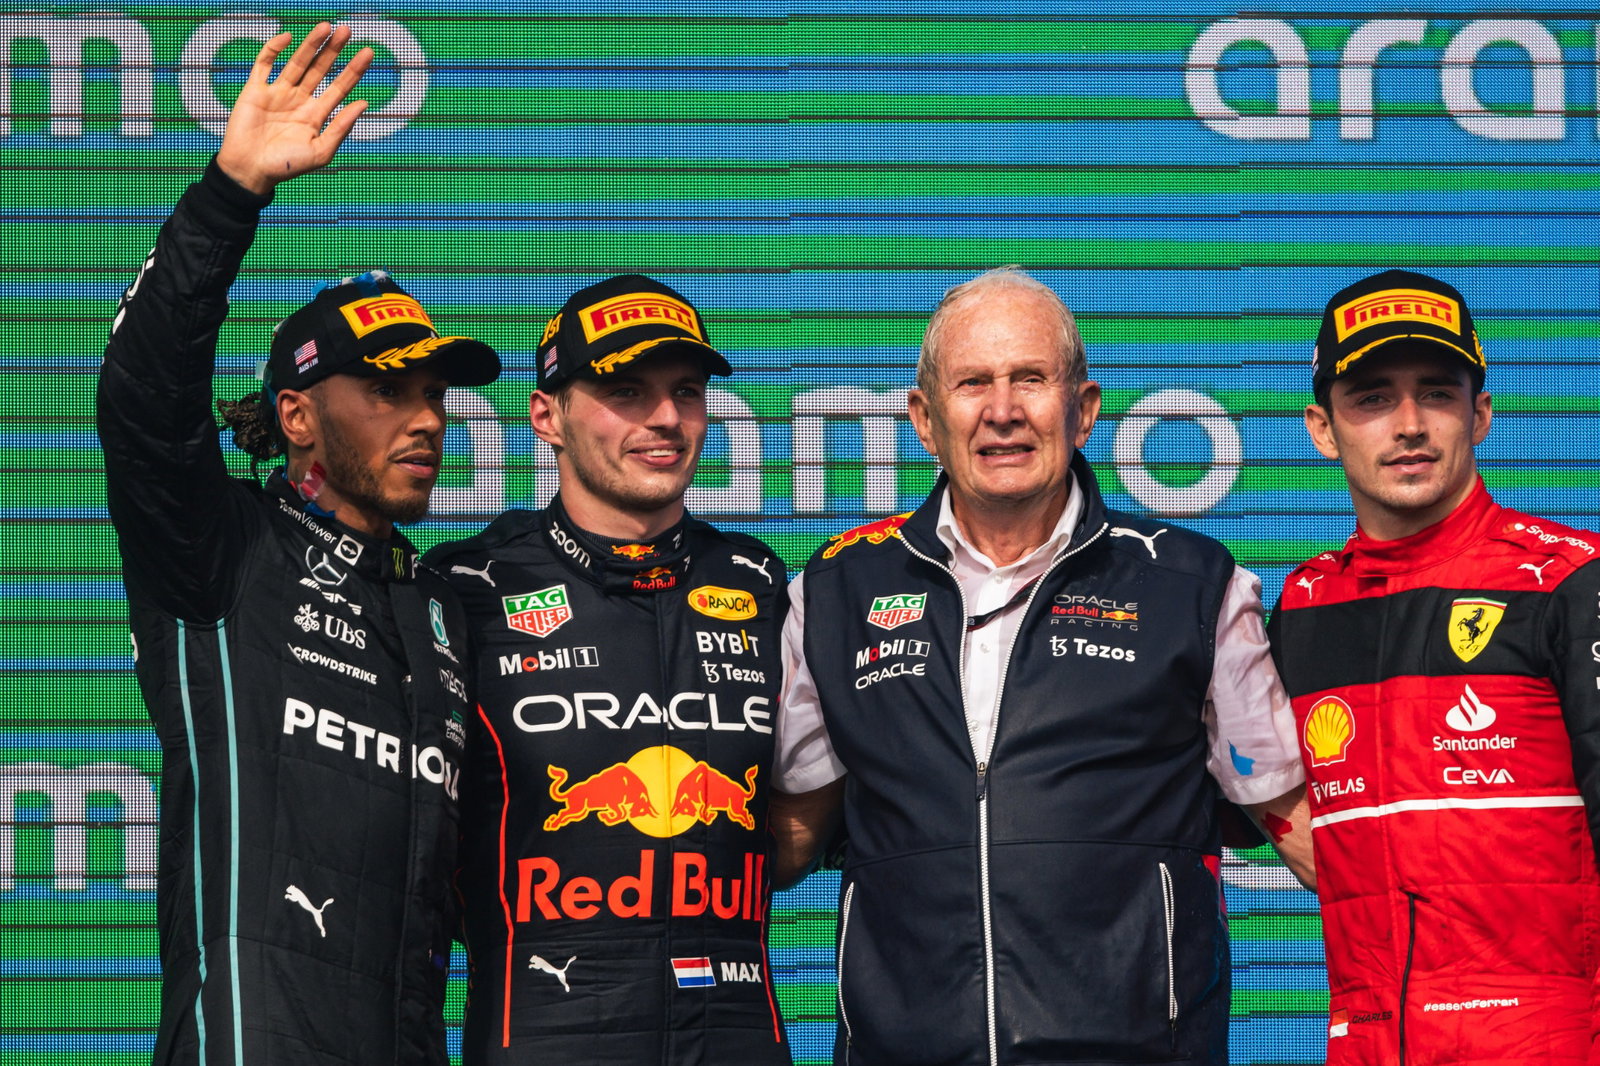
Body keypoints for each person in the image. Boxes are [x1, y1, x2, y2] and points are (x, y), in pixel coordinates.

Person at [770, 266, 1313, 1065]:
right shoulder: (836, 593)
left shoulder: (1194, 587)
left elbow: (1305, 830)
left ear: (1083, 409)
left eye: (1030, 378)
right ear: (924, 420)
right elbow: (784, 844)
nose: (1002, 411)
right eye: (972, 383)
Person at [96, 25, 499, 1064]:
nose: (426, 419)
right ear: (297, 416)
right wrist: (231, 194)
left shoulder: (443, 605)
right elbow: (143, 399)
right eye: (387, 391)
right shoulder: (223, 550)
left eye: (434, 394)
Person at [425, 275, 791, 1065]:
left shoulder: (760, 582)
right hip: (542, 1036)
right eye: (626, 391)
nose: (666, 419)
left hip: (732, 1037)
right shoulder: (469, 587)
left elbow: (799, 825)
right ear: (546, 416)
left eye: (686, 392)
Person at [1266, 269, 1600, 1065]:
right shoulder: (1304, 606)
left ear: (1480, 413)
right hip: (1367, 1043)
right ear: (1322, 429)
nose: (1409, 424)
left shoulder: (1566, 581)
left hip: (1547, 1042)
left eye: (1438, 394)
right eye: (1373, 398)